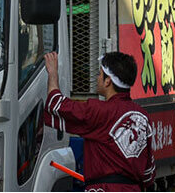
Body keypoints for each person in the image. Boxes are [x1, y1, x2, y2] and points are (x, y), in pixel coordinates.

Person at [43, 51, 154, 191]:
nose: (97, 78)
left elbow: (56, 105)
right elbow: (148, 173)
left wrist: (53, 73)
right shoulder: (143, 117)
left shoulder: (99, 111)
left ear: (108, 81)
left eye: (100, 74)